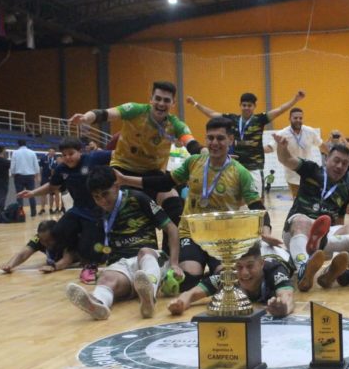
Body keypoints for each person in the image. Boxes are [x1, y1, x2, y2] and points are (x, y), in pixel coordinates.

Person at [115, 117, 275, 294]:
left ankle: (194, 273)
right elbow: (164, 182)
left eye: (220, 138)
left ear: (230, 140)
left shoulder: (240, 172)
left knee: (227, 280)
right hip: (191, 233)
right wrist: (125, 179)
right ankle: (164, 264)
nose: (214, 143)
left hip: (221, 238)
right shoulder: (194, 162)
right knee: (188, 281)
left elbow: (258, 207)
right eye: (210, 138)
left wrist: (266, 232)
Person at [69, 81, 200, 229]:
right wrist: (86, 118)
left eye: (166, 100)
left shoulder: (175, 124)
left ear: (173, 103)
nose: (161, 103)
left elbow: (190, 142)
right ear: (151, 99)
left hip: (151, 175)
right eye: (157, 98)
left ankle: (169, 249)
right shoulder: (135, 110)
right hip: (121, 169)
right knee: (112, 204)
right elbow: (106, 113)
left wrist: (203, 151)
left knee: (174, 205)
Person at [65, 166, 181, 320]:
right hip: (122, 266)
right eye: (96, 197)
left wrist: (174, 263)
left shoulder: (138, 198)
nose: (102, 201)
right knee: (106, 278)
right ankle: (98, 304)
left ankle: (149, 294)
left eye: (105, 194)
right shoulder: (98, 211)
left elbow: (172, 228)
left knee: (144, 253)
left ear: (116, 185)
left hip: (150, 260)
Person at [17, 137, 110, 284]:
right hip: (78, 209)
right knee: (58, 231)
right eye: (64, 155)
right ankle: (72, 253)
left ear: (80, 151)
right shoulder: (61, 169)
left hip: (96, 211)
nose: (67, 157)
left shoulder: (93, 158)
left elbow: (119, 154)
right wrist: (32, 193)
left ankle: (92, 260)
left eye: (71, 153)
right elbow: (52, 186)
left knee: (89, 247)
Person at [271, 129, 349, 291]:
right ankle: (303, 268)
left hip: (321, 241)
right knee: (303, 220)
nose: (339, 166)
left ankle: (329, 273)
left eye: (345, 164)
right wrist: (282, 147)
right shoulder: (311, 169)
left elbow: (339, 224)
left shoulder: (345, 191)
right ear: (327, 158)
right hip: (296, 230)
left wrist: (347, 252)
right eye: (336, 160)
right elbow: (286, 159)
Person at [186, 90, 305, 194]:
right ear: (240, 105)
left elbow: (280, 110)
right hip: (235, 166)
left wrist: (295, 99)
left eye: (249, 105)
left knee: (257, 199)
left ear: (254, 107)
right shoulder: (232, 119)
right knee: (235, 198)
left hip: (255, 167)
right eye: (244, 105)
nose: (246, 107)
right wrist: (196, 104)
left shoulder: (260, 120)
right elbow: (212, 114)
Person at [168, 241, 295, 318]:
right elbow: (191, 293)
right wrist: (180, 304)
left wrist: (284, 308)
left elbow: (287, 297)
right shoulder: (229, 274)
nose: (244, 273)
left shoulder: (275, 270)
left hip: (279, 253)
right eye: (239, 267)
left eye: (250, 266)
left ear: (261, 264)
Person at [270, 108, 323, 196]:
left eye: (300, 118)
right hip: (292, 176)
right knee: (297, 201)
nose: (298, 120)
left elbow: (321, 144)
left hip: (309, 173)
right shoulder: (282, 133)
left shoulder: (310, 131)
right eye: (295, 118)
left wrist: (330, 154)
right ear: (290, 118)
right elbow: (270, 147)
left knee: (312, 200)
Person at [0, 220, 76, 273]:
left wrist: (53, 267)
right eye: (42, 240)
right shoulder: (38, 238)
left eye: (48, 240)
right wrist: (10, 265)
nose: (45, 243)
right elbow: (23, 254)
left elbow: (67, 260)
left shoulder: (65, 237)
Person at [10, 139, 40, 217]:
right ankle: (33, 212)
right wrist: (37, 174)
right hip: (30, 176)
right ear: (26, 144)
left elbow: (13, 165)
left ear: (18, 144)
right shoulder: (32, 152)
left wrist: (12, 173)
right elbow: (36, 165)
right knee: (31, 194)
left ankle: (20, 213)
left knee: (19, 195)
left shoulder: (15, 153)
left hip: (19, 176)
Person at [38, 148, 58, 215]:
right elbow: (40, 167)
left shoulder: (56, 159)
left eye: (53, 152)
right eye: (51, 151)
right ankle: (42, 208)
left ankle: (51, 208)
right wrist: (40, 176)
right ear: (48, 152)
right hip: (44, 178)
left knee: (51, 194)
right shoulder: (43, 158)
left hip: (53, 178)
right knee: (43, 194)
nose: (52, 153)